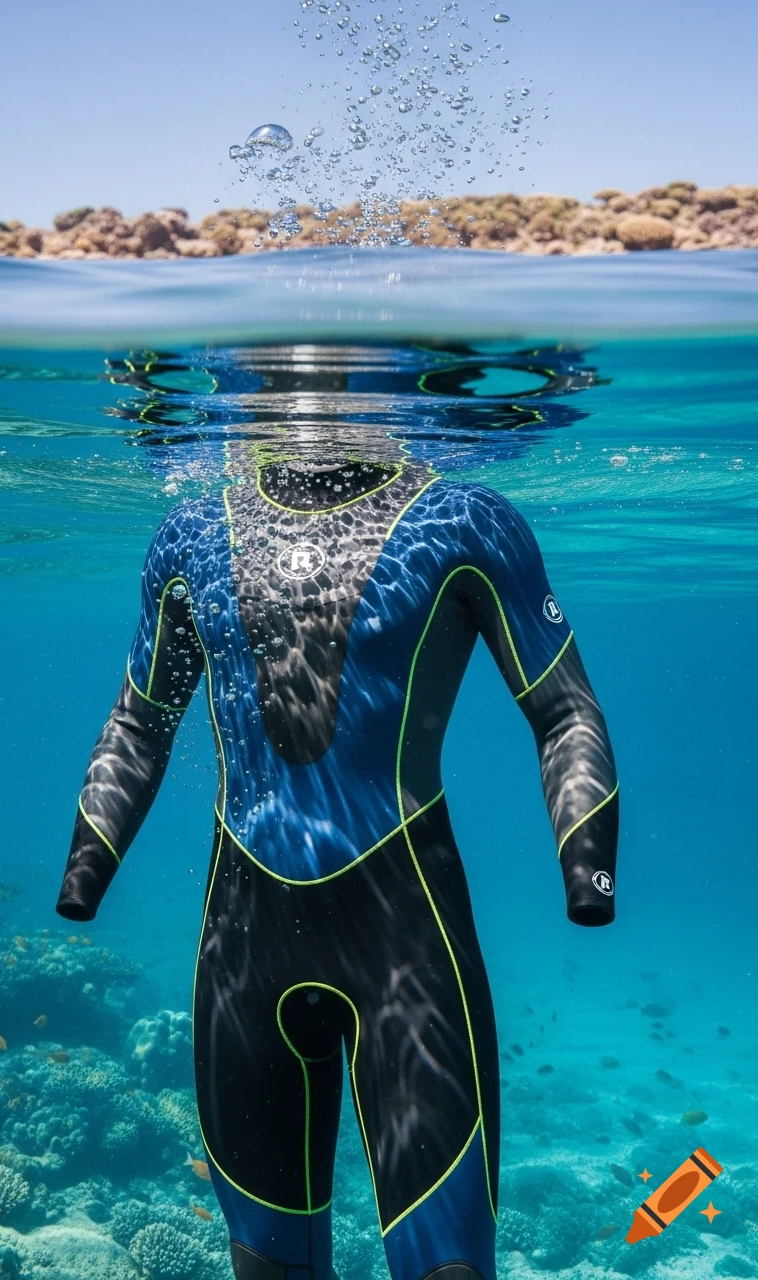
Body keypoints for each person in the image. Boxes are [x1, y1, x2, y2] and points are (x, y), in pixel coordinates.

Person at [56, 457, 619, 1280]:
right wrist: (85, 870)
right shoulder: (188, 534)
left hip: (406, 950)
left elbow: (564, 709)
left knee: (447, 1271)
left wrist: (588, 870)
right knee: (265, 1268)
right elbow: (140, 722)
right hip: (241, 963)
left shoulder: (464, 519)